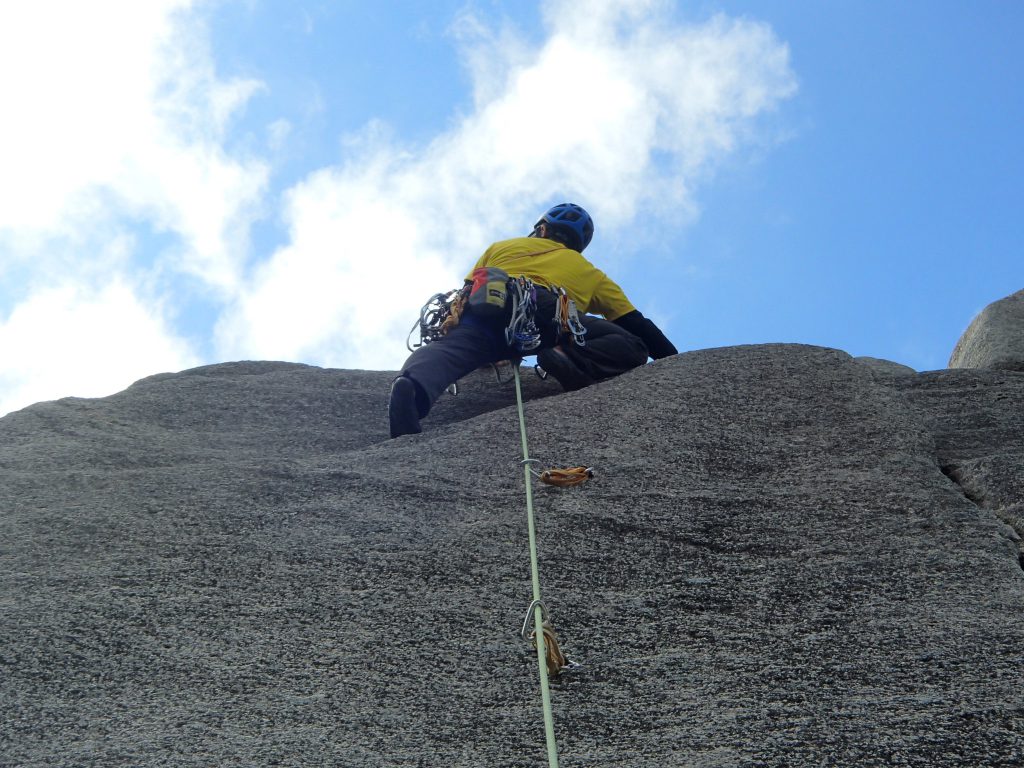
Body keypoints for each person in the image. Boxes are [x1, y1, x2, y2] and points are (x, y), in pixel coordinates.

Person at [389, 203, 677, 438]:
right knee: (631, 345)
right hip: (547, 313)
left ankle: (412, 389)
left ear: (542, 228)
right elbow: (635, 323)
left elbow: (469, 287)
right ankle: (567, 356)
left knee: (449, 352)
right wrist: (674, 360)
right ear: (577, 244)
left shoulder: (501, 247)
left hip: (488, 305)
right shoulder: (588, 270)